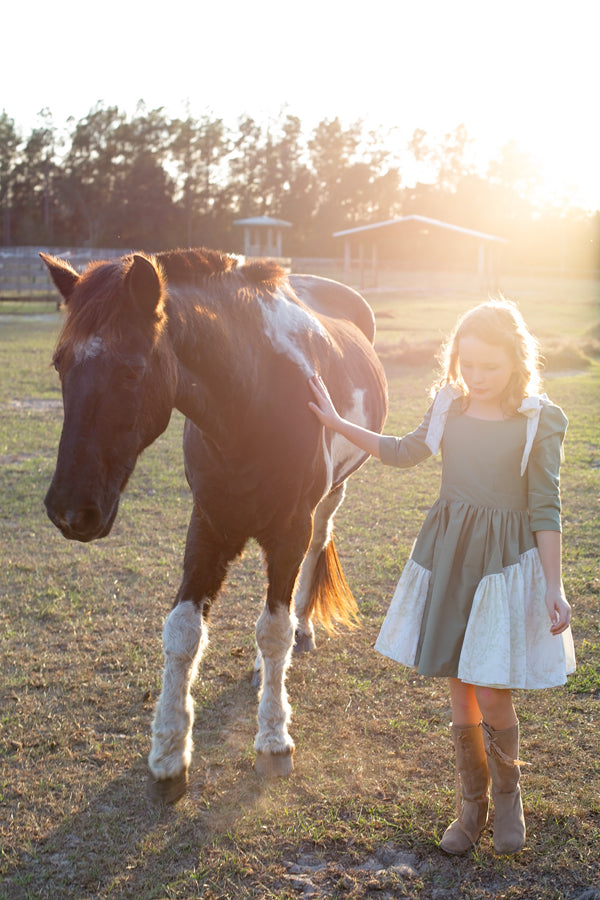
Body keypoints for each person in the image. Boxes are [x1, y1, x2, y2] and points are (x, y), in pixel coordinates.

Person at [308, 298, 575, 856]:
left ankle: (508, 800)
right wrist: (337, 423)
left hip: (502, 563)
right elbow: (404, 453)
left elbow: (545, 507)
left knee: (492, 690)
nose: (476, 377)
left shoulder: (537, 420)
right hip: (450, 554)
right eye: (468, 364)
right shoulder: (449, 405)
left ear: (516, 362)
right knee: (460, 688)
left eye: (490, 367)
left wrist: (554, 585)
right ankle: (470, 807)